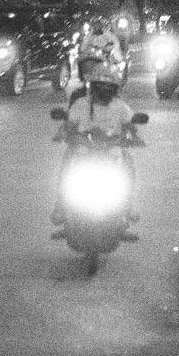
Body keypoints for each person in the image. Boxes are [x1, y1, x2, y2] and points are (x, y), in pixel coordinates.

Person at [52, 67, 140, 232]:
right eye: (100, 87)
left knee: (128, 164)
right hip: (83, 152)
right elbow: (68, 126)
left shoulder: (120, 107)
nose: (104, 91)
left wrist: (134, 136)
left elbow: (131, 127)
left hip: (112, 153)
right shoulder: (80, 105)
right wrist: (63, 134)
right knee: (66, 166)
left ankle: (128, 207)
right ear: (92, 87)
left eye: (109, 88)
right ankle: (61, 206)